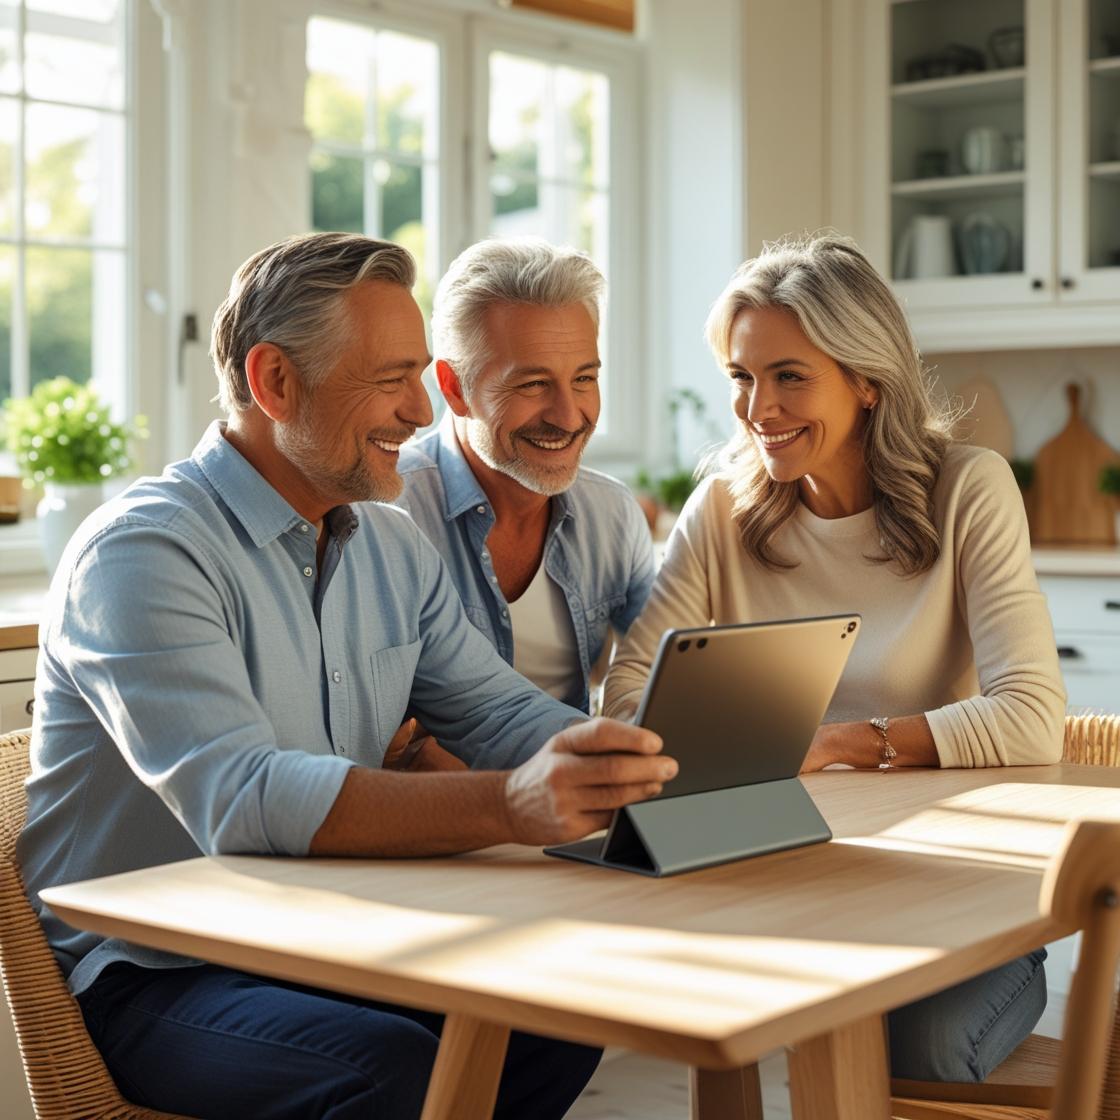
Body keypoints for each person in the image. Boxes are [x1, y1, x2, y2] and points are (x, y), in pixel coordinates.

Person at [18, 232, 677, 1120]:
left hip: (324, 938)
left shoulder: (390, 545)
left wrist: (655, 767)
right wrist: (510, 805)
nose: (419, 411)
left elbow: (497, 712)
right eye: (390, 378)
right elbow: (241, 797)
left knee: (558, 1017)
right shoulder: (145, 553)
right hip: (158, 974)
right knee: (381, 1068)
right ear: (275, 382)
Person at [603, 233, 1065, 1083]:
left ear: (865, 378)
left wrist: (833, 744)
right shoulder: (720, 508)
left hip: (953, 882)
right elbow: (628, 696)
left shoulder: (970, 488)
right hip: (780, 872)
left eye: (789, 376)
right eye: (742, 377)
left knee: (914, 1049)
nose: (757, 409)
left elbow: (1032, 716)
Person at [394, 238, 654, 714]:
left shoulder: (613, 515)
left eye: (584, 379)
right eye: (533, 384)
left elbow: (665, 674)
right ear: (455, 388)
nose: (568, 415)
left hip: (582, 778)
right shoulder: (389, 514)